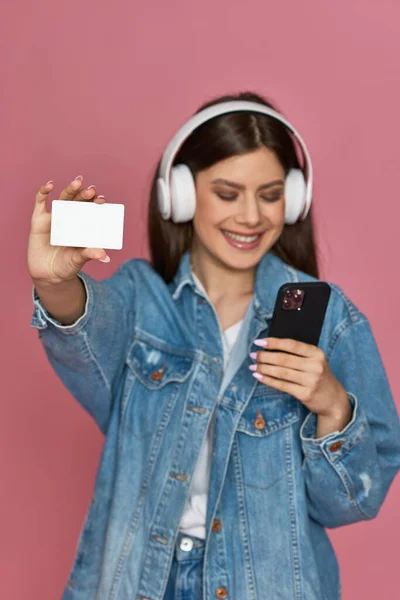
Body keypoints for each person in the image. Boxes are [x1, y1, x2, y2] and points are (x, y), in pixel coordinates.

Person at [28, 91, 400, 600]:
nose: (251, 216)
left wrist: (333, 406)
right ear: (179, 195)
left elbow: (351, 504)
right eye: (227, 193)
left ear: (293, 200)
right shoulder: (140, 301)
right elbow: (82, 338)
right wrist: (54, 284)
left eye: (269, 194)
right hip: (139, 581)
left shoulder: (330, 318)